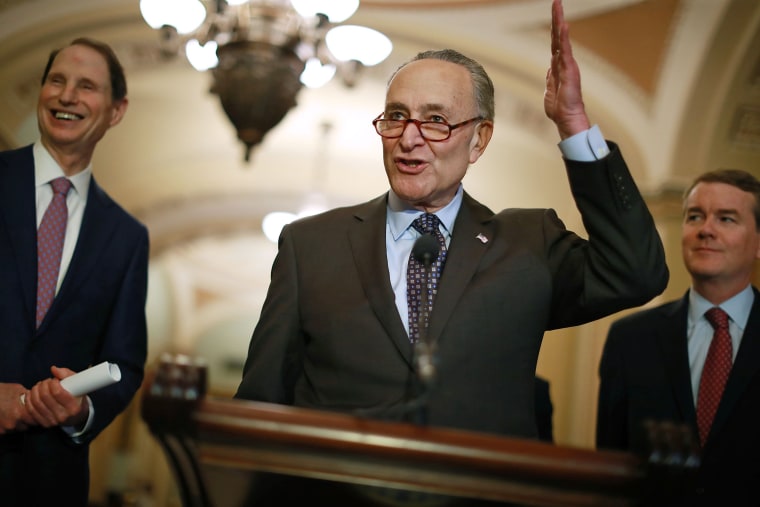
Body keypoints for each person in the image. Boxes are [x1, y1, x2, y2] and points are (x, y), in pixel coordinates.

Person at [236, 0, 667, 441]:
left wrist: (574, 125)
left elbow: (636, 272)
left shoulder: (528, 243)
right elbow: (260, 398)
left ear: (478, 140)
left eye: (436, 121)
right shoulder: (310, 244)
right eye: (397, 117)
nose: (409, 139)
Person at [0, 38, 149, 506]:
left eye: (86, 86)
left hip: (48, 482)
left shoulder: (127, 237)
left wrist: (82, 407)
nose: (67, 96)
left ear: (116, 110)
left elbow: (125, 364)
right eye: (57, 81)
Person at [596, 168, 760, 506]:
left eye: (726, 219)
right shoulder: (631, 339)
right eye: (695, 216)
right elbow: (611, 464)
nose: (706, 230)